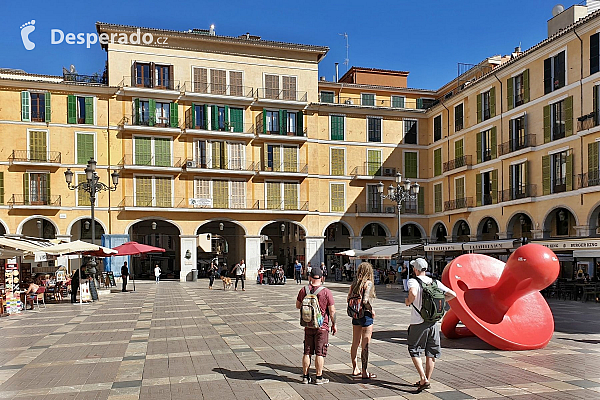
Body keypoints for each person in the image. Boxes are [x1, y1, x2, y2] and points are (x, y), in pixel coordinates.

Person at [405, 258, 456, 392]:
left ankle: (423, 378)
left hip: (418, 322)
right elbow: (453, 294)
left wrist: (408, 301)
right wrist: (438, 301)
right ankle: (427, 378)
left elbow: (413, 293)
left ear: (415, 269)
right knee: (431, 351)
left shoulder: (413, 280)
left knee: (414, 349)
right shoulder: (435, 282)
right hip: (433, 322)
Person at [296, 267, 336, 385]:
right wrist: (334, 324)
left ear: (310, 277)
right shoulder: (326, 292)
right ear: (322, 278)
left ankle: (305, 376)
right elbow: (332, 311)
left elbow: (298, 305)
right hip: (322, 327)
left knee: (307, 352)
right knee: (320, 352)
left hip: (308, 325)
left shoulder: (304, 290)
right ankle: (319, 377)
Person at [348, 262, 376, 379]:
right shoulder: (368, 283)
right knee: (365, 344)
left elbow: (348, 298)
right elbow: (365, 301)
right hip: (365, 316)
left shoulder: (354, 284)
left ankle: (355, 368)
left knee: (355, 342)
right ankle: (364, 371)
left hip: (355, 315)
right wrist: (371, 310)